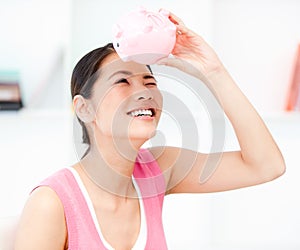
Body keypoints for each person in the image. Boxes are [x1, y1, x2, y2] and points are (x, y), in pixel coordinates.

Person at [15, 11, 285, 250]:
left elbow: (266, 165)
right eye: (122, 81)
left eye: (149, 81)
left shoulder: (157, 170)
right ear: (84, 109)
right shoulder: (51, 204)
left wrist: (213, 71)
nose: (144, 92)